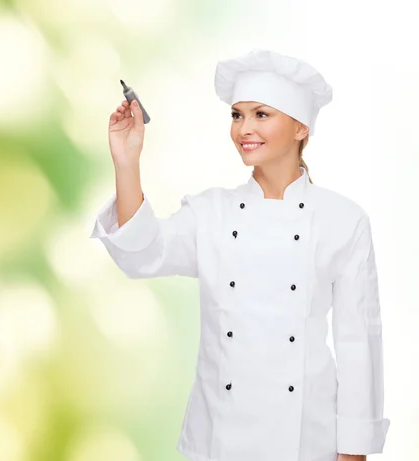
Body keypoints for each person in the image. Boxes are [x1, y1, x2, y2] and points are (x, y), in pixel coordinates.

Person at [89, 49, 390, 461]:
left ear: (301, 126)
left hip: (307, 439)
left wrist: (354, 450)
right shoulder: (211, 212)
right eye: (236, 115)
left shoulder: (343, 220)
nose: (243, 128)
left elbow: (359, 343)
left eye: (261, 114)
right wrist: (127, 162)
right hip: (220, 440)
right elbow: (142, 255)